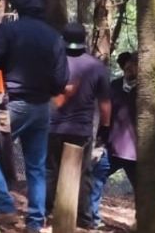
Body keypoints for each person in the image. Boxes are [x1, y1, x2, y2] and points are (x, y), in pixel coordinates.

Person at [0, 0, 68, 233]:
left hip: (11, 103)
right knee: (36, 165)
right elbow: (62, 80)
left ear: (18, 7)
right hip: (41, 107)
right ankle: (35, 223)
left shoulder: (8, 31)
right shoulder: (54, 37)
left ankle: (5, 205)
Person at [90, 51, 155, 223]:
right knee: (95, 180)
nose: (129, 67)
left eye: (134, 64)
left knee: (144, 192)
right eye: (128, 64)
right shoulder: (115, 86)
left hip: (139, 154)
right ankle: (91, 218)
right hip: (112, 149)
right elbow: (106, 116)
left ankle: (144, 223)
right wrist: (100, 143)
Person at [44, 22, 110, 229]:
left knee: (50, 170)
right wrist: (104, 131)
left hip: (54, 127)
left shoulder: (53, 63)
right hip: (81, 131)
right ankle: (84, 218)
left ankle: (47, 212)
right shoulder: (97, 67)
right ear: (85, 40)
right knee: (84, 173)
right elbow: (105, 105)